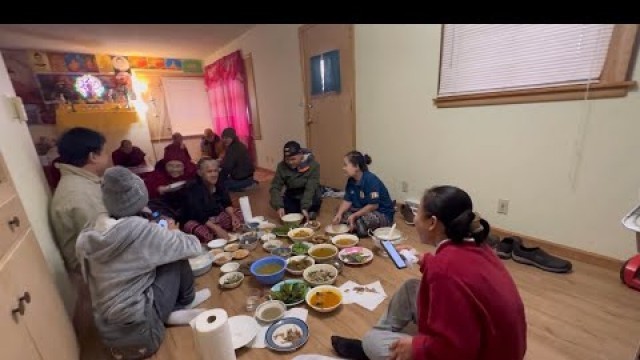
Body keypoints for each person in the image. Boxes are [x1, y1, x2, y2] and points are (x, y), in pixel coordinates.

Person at [331, 185, 527, 360]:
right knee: (411, 288)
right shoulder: (477, 245)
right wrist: (420, 258)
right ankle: (386, 339)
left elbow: (458, 349)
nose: (414, 218)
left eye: (417, 212)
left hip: (480, 352)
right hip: (498, 344)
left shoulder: (445, 270)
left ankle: (374, 348)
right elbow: (456, 274)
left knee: (371, 342)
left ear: (432, 222)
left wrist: (417, 347)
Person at [76, 166, 210, 360]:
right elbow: (193, 246)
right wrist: (171, 231)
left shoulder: (91, 232)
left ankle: (170, 311)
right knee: (174, 254)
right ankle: (184, 303)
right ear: (140, 197)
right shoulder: (139, 230)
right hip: (144, 333)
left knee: (157, 256)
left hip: (110, 335)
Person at [50, 127, 109, 272]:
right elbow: (105, 244)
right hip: (100, 272)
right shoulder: (79, 193)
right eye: (105, 152)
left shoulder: (83, 182)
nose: (108, 156)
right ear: (93, 157)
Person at [332, 151, 394, 238]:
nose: (343, 168)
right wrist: (339, 214)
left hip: (381, 213)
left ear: (356, 166)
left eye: (346, 165)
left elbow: (374, 205)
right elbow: (347, 200)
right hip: (363, 209)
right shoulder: (351, 180)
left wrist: (354, 215)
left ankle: (353, 224)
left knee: (363, 222)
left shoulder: (370, 179)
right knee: (339, 210)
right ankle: (352, 224)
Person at [181, 158, 244, 243]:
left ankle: (219, 230)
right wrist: (216, 228)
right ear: (200, 173)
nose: (214, 174)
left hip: (215, 217)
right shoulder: (192, 187)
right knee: (204, 234)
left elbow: (226, 203)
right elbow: (199, 215)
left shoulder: (219, 182)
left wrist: (233, 216)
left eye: (215, 171)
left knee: (239, 214)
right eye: (209, 172)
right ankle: (216, 231)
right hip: (198, 220)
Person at [270, 141, 322, 220]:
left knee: (313, 201)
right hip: (293, 193)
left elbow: (310, 188)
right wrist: (279, 206)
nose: (290, 162)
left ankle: (310, 210)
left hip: (308, 193)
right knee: (284, 208)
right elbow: (275, 187)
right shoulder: (281, 166)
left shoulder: (314, 165)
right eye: (287, 159)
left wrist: (305, 206)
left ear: (301, 154)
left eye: (293, 159)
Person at [143, 153, 197, 218]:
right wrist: (159, 190)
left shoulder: (190, 174)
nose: (174, 169)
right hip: (164, 212)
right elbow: (146, 195)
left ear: (184, 166)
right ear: (165, 166)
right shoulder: (156, 176)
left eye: (178, 166)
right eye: (170, 165)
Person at [219, 127, 257, 192]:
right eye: (223, 138)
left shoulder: (232, 149)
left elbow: (227, 167)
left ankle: (244, 187)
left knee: (220, 185)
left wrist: (219, 167)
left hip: (242, 180)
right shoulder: (240, 145)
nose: (224, 140)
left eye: (227, 138)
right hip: (249, 177)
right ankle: (250, 183)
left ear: (233, 137)